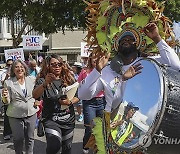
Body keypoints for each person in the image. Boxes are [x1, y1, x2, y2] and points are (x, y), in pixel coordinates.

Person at [78, 23, 180, 113]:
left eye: (130, 39)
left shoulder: (149, 63)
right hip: (112, 125)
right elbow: (83, 95)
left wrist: (157, 38)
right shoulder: (107, 70)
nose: (126, 40)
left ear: (137, 44)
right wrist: (98, 71)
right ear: (117, 47)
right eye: (122, 40)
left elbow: (176, 65)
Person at [32, 54, 79, 154]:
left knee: (67, 148)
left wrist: (69, 102)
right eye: (53, 64)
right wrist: (45, 83)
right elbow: (35, 95)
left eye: (59, 64)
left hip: (68, 120)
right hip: (51, 119)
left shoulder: (69, 78)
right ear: (48, 66)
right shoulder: (42, 79)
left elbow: (78, 96)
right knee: (54, 146)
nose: (57, 66)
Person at [1, 59, 38, 154]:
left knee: (30, 138)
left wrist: (38, 101)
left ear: (25, 69)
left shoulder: (32, 79)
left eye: (21, 67)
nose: (19, 69)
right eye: (16, 67)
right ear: (13, 70)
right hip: (15, 114)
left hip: (31, 112)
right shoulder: (8, 82)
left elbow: (37, 94)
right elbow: (7, 102)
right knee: (18, 139)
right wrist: (5, 97)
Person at [78, 53, 106, 154]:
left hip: (102, 101)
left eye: (98, 56)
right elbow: (80, 86)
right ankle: (85, 146)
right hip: (89, 103)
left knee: (101, 128)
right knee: (90, 128)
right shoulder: (84, 71)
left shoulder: (106, 71)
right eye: (94, 56)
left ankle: (98, 148)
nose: (96, 59)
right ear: (90, 59)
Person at [0, 58, 13, 140]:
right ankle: (7, 133)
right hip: (6, 95)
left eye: (12, 64)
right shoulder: (3, 72)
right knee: (7, 114)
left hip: (15, 96)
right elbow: (2, 83)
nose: (10, 66)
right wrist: (6, 77)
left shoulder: (16, 72)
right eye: (8, 64)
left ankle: (13, 131)